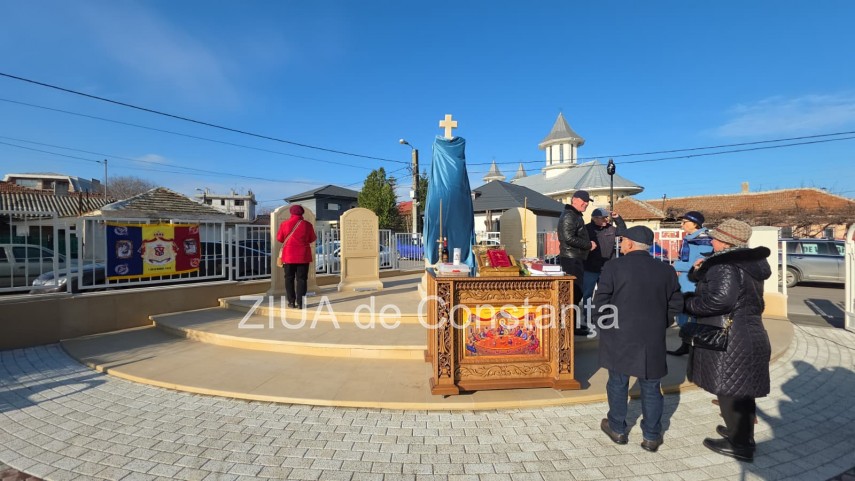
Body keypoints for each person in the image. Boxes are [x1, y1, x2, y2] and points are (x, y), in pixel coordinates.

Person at [684, 218, 771, 462]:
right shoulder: (750, 263)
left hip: (729, 334)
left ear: (726, 241)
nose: (711, 240)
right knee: (742, 388)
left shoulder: (725, 266)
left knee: (730, 389)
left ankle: (739, 444)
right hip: (748, 330)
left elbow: (719, 301)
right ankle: (741, 432)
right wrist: (699, 271)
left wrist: (688, 304)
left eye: (715, 237)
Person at [594, 226, 683, 452]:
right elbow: (675, 304)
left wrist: (604, 326)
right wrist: (658, 324)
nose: (621, 244)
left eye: (623, 240)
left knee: (617, 382)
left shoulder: (614, 266)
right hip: (651, 337)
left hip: (618, 335)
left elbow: (600, 301)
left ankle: (617, 428)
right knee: (652, 386)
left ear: (631, 244)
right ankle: (651, 436)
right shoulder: (666, 270)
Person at [667, 211, 713, 356]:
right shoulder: (690, 238)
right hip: (684, 282)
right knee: (682, 314)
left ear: (695, 224)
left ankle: (695, 347)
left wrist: (676, 266)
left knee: (694, 315)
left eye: (685, 222)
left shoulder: (704, 240)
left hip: (693, 283)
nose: (682, 225)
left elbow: (699, 265)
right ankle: (685, 345)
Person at [557, 189, 596, 336]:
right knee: (573, 294)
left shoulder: (574, 215)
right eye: (583, 201)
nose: (585, 204)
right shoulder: (569, 216)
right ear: (574, 200)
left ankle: (571, 327)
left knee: (575, 295)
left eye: (587, 202)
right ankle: (568, 328)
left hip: (575, 258)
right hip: (571, 259)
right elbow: (568, 238)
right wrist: (588, 245)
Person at [582, 207, 627, 330]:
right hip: (590, 267)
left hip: (606, 268)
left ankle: (603, 315)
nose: (606, 220)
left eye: (607, 217)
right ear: (594, 218)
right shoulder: (586, 229)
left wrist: (618, 218)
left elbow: (623, 231)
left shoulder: (611, 229)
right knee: (587, 294)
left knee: (605, 293)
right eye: (603, 218)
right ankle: (588, 315)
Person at [276, 205, 317, 309]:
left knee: (289, 278)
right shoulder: (307, 225)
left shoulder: (284, 224)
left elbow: (279, 238)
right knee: (302, 279)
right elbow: (312, 238)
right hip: (303, 255)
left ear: (291, 213)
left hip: (289, 255)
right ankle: (300, 303)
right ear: (302, 213)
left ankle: (291, 302)